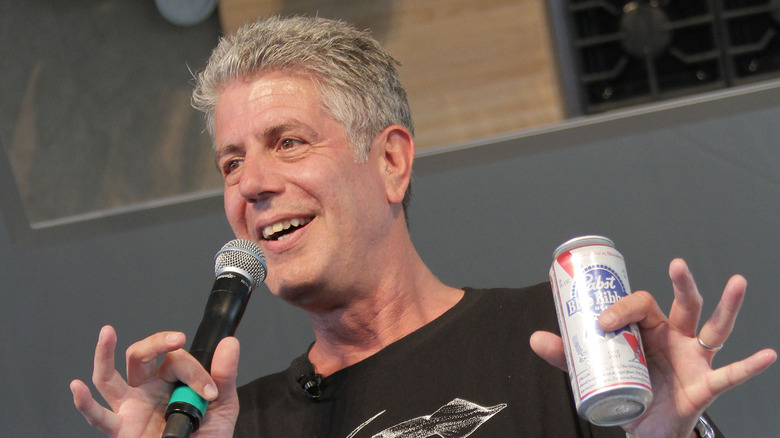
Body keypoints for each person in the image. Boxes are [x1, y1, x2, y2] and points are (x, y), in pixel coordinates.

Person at [70, 15, 776, 437]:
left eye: (287, 142)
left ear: (391, 162)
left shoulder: (561, 340)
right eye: (230, 162)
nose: (251, 184)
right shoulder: (232, 426)